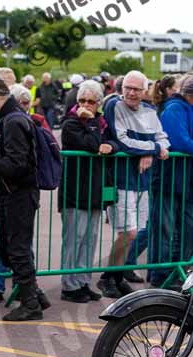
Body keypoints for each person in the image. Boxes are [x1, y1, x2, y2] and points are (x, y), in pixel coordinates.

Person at [0, 76, 45, 321]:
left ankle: (31, 303)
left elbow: (17, 166)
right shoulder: (11, 119)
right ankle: (34, 294)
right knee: (7, 246)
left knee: (16, 248)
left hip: (19, 194)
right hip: (15, 193)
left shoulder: (13, 120)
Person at [100, 70, 170, 298]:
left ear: (144, 91)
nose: (131, 92)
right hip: (121, 178)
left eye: (136, 89)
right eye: (127, 88)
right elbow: (123, 140)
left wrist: (152, 150)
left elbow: (163, 139)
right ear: (121, 89)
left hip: (143, 181)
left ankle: (118, 276)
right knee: (127, 232)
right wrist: (151, 149)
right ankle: (108, 277)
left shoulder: (149, 110)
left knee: (136, 230)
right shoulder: (113, 105)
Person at [153, 75, 193, 289]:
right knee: (165, 228)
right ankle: (160, 274)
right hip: (168, 179)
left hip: (190, 181)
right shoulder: (174, 109)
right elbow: (178, 141)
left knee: (189, 229)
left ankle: (179, 270)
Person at [59, 80, 118, 303]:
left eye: (91, 102)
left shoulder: (101, 122)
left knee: (90, 238)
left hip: (94, 189)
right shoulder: (71, 123)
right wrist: (91, 122)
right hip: (75, 190)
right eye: (82, 100)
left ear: (99, 103)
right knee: (75, 238)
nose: (85, 105)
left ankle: (83, 281)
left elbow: (114, 141)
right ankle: (69, 285)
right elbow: (92, 143)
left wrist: (111, 146)